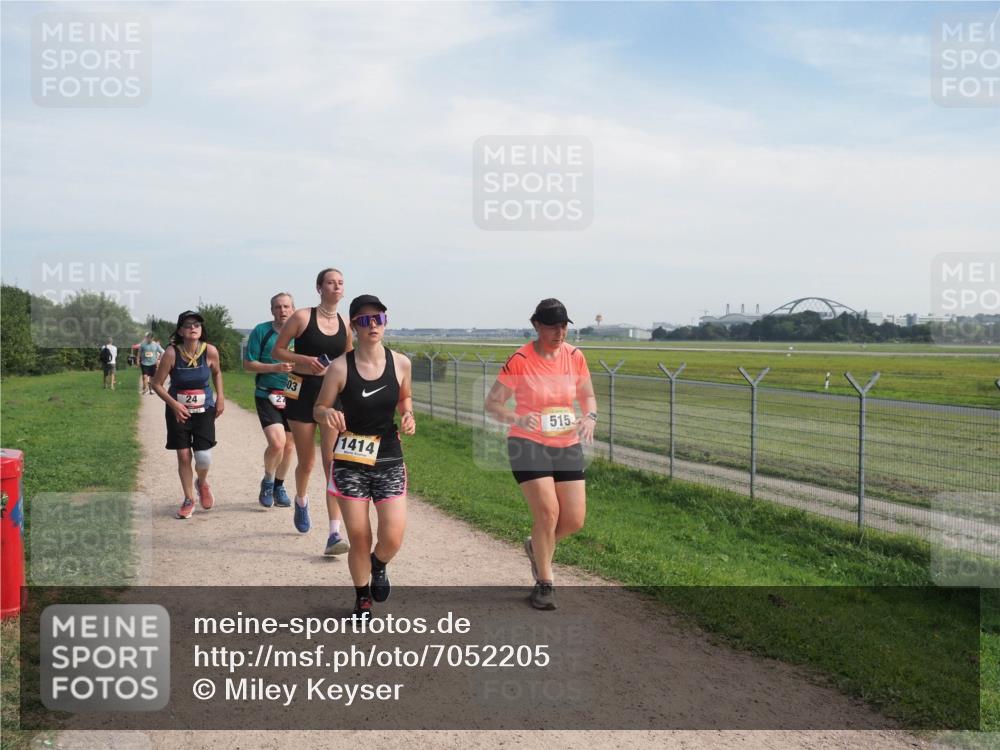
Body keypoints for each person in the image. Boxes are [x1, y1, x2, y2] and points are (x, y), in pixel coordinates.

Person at [484, 299, 597, 611]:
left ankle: (537, 547)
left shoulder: (575, 356)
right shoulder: (520, 359)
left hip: (566, 442)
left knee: (573, 520)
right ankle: (545, 583)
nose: (559, 332)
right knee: (547, 513)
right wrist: (516, 418)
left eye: (563, 326)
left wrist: (590, 417)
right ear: (536, 325)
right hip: (527, 442)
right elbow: (492, 404)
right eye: (552, 326)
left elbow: (587, 396)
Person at [314, 295, 415, 619]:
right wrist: (327, 414)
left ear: (385, 321)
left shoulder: (400, 363)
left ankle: (379, 564)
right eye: (364, 320)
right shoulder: (340, 367)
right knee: (359, 536)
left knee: (393, 535)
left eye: (378, 319)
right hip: (350, 463)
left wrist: (408, 413)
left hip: (388, 459)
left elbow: (405, 396)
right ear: (354, 326)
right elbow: (319, 408)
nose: (372, 325)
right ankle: (362, 598)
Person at [272, 268, 352, 554]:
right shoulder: (302, 317)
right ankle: (302, 500)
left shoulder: (345, 322)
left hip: (332, 396)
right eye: (330, 282)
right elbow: (278, 351)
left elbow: (348, 360)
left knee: (332, 464)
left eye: (340, 283)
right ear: (319, 288)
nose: (336, 286)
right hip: (302, 392)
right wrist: (304, 359)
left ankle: (334, 533)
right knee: (306, 462)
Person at [151, 310, 226, 519]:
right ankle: (188, 499)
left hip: (204, 410)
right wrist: (175, 405)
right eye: (188, 325)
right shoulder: (171, 353)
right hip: (178, 412)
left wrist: (220, 397)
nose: (193, 328)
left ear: (201, 330)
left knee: (203, 458)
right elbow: (155, 384)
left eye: (197, 325)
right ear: (180, 331)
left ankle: (201, 482)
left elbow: (217, 373)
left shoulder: (210, 350)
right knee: (184, 455)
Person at [243, 292, 297, 509]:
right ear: (271, 310)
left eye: (286, 306)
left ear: (293, 309)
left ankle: (279, 486)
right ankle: (267, 480)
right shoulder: (261, 331)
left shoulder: (301, 333)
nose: (282, 310)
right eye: (278, 307)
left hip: (294, 395)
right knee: (277, 443)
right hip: (267, 393)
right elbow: (248, 364)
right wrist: (274, 367)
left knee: (290, 446)